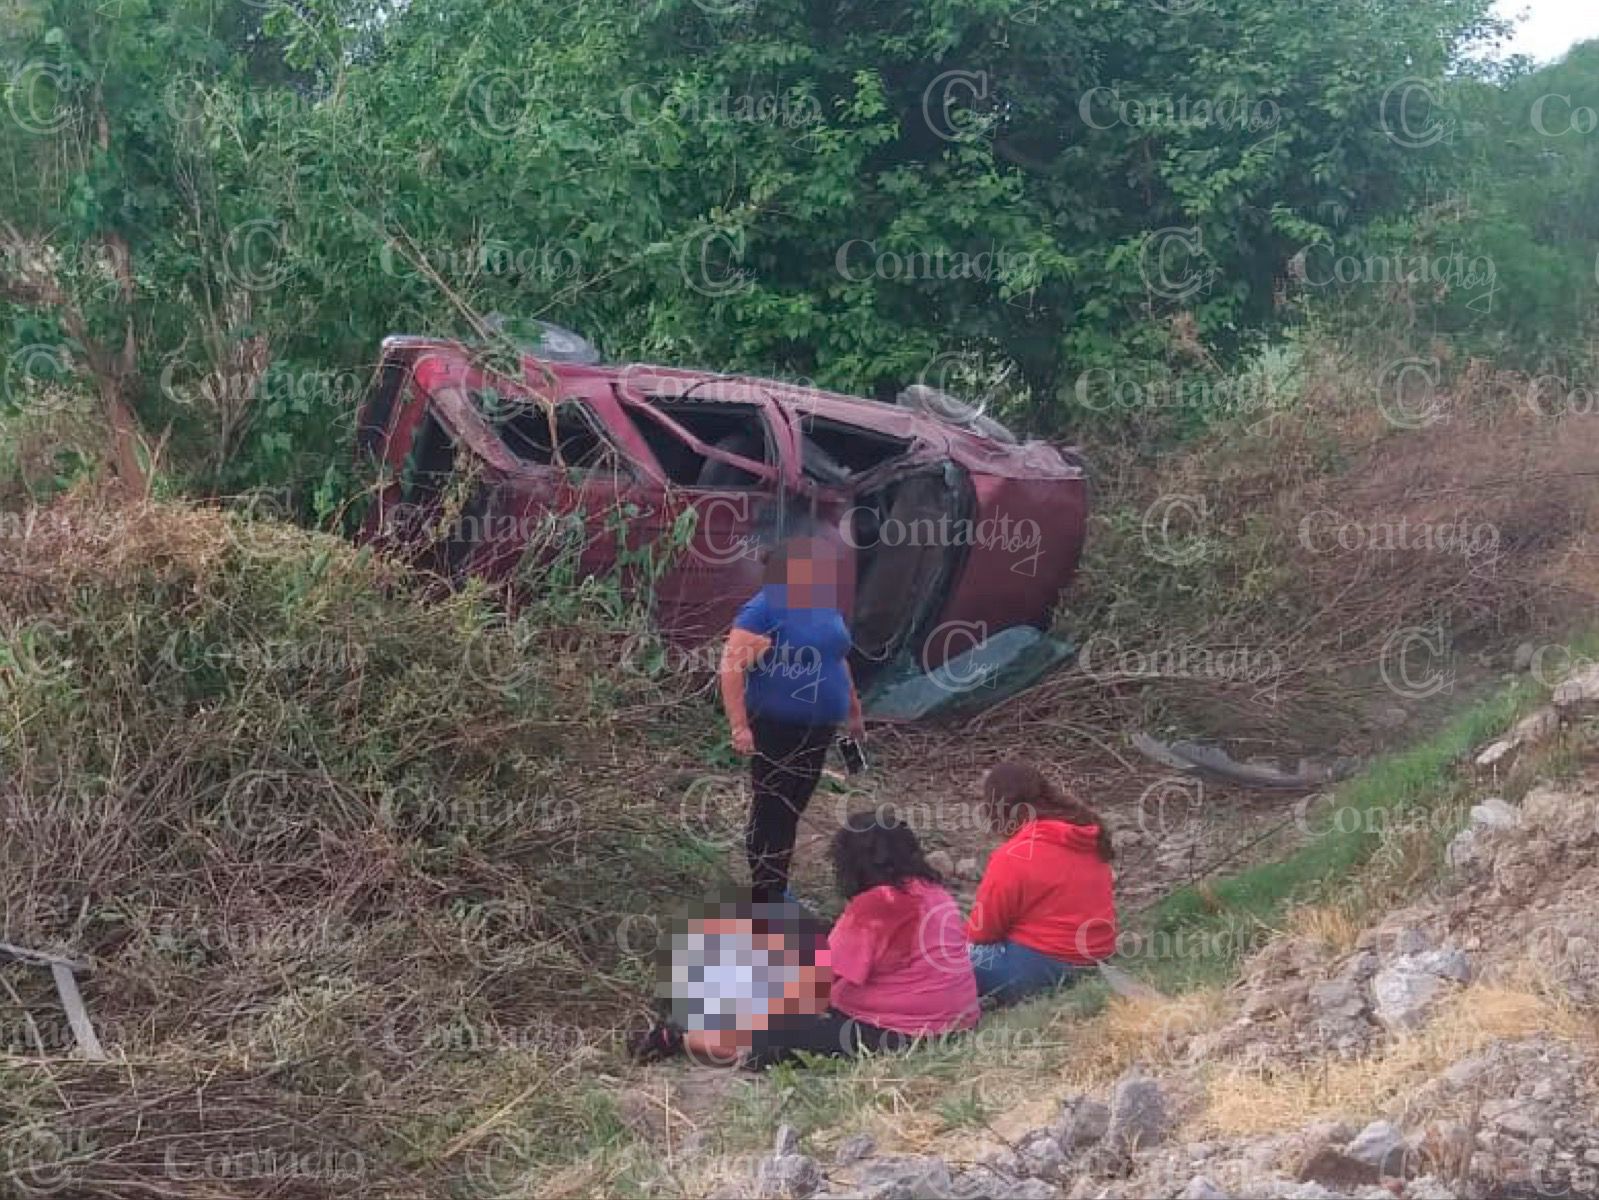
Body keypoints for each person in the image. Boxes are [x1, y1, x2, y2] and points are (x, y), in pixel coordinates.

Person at [630, 816, 978, 1068]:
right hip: (956, 1021)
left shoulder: (872, 909)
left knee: (766, 1036)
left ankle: (677, 1038)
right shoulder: (934, 894)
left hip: (903, 1034)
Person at [720, 532, 865, 902]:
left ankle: (776, 884)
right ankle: (767, 892)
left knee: (795, 803)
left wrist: (852, 708)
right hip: (775, 725)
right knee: (773, 807)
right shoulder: (763, 610)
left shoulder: (823, 605)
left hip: (818, 727)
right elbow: (732, 667)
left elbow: (838, 656)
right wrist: (739, 726)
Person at [966, 761, 1118, 1005]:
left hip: (1041, 966)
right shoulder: (1086, 836)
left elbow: (982, 932)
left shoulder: (1013, 856)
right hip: (1096, 961)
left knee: (945, 959)